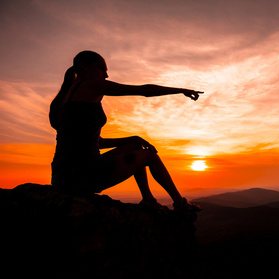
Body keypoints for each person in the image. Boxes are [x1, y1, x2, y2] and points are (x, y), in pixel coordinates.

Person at [49, 50, 202, 212]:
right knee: (150, 156)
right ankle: (180, 204)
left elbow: (94, 143)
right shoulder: (89, 86)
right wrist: (180, 90)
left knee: (135, 146)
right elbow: (144, 90)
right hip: (83, 174)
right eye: (102, 69)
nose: (106, 76)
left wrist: (132, 138)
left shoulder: (63, 99)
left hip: (62, 176)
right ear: (84, 67)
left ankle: (148, 199)